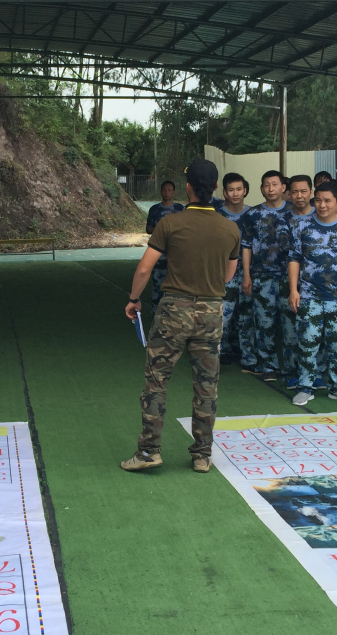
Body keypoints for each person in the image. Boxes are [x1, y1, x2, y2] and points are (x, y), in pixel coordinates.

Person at [121, 159, 240, 474]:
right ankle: (202, 454)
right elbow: (229, 275)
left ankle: (149, 452)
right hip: (212, 312)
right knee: (206, 384)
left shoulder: (170, 223)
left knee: (157, 381)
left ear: (188, 188)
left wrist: (134, 299)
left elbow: (145, 267)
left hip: (175, 310)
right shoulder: (231, 228)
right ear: (216, 187)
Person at [287, 181, 337, 406]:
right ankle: (305, 386)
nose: (322, 205)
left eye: (327, 200)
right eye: (318, 200)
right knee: (307, 343)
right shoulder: (302, 227)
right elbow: (294, 259)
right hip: (309, 296)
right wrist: (294, 290)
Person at [238, 170, 290, 381]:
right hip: (261, 276)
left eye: (275, 185)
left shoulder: (294, 212)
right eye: (266, 185)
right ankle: (268, 365)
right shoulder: (252, 215)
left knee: (290, 324)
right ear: (261, 189)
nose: (271, 189)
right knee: (264, 323)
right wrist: (247, 276)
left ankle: (290, 367)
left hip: (289, 277)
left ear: (283, 188)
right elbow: (246, 246)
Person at [281, 175, 316, 389]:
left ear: (311, 192)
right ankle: (291, 372)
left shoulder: (320, 217)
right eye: (295, 192)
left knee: (315, 331)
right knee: (290, 329)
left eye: (304, 191)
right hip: (288, 281)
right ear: (289, 194)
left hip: (315, 283)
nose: (299, 196)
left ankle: (315, 373)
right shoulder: (283, 219)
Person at [213, 173, 249, 364]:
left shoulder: (253, 214)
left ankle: (247, 356)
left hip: (249, 273)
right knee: (222, 316)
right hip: (224, 274)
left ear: (245, 191)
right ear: (224, 192)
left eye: (239, 189)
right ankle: (217, 354)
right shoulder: (216, 216)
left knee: (246, 317)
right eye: (231, 190)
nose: (235, 194)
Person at [146, 181, 187, 312]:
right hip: (159, 253)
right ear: (160, 192)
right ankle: (156, 311)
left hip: (176, 254)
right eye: (164, 190)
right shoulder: (155, 210)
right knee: (158, 284)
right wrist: (161, 228)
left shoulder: (180, 209)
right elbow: (148, 229)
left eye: (169, 190)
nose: (167, 193)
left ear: (173, 192)